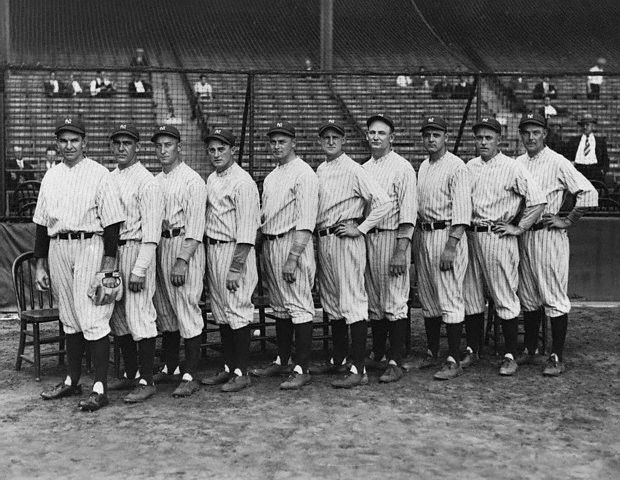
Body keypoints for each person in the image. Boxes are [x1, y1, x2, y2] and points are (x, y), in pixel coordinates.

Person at [34, 117, 125, 411]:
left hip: (90, 245)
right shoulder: (51, 176)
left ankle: (100, 387)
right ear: (57, 143)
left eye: (75, 140)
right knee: (70, 317)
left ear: (84, 142)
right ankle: (73, 381)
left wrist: (108, 262)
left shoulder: (100, 174)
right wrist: (39, 264)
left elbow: (112, 223)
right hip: (59, 246)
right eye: (63, 140)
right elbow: (40, 224)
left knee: (93, 315)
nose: (69, 145)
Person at [515, 112, 598, 376]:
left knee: (553, 297)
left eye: (536, 132)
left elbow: (589, 192)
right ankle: (531, 350)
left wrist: (568, 220)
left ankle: (556, 355)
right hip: (524, 234)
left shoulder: (557, 161)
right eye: (526, 132)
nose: (531, 137)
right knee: (528, 296)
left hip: (549, 236)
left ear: (545, 134)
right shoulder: (517, 162)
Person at [462, 117, 546, 376]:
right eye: (479, 137)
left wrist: (518, 227)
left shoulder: (512, 167)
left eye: (489, 137)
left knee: (504, 296)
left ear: (499, 139)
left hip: (497, 237)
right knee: (471, 294)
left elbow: (538, 201)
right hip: (470, 234)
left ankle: (510, 355)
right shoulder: (469, 166)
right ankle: (471, 350)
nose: (483, 142)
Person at [312, 118, 390, 388]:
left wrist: (363, 228)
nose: (331, 141)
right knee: (332, 303)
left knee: (353, 301)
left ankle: (359, 369)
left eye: (335, 137)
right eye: (326, 137)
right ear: (320, 141)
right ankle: (339, 359)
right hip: (325, 238)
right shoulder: (320, 169)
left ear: (343, 140)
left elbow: (384, 203)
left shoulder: (354, 168)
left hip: (347, 238)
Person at [250, 121, 318, 390]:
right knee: (279, 305)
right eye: (274, 141)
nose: (277, 146)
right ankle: (284, 359)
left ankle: (303, 367)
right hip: (271, 242)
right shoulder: (271, 176)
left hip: (293, 243)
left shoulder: (304, 174)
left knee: (299, 305)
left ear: (294, 143)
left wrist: (294, 257)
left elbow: (306, 221)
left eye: (282, 141)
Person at [106, 124, 164, 403]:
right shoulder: (109, 177)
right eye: (116, 142)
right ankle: (130, 374)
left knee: (140, 312)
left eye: (126, 142)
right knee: (118, 315)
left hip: (136, 248)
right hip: (112, 252)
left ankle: (146, 379)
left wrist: (140, 268)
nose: (120, 147)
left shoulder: (147, 181)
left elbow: (152, 233)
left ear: (136, 146)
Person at [200, 128, 260, 393]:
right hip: (214, 248)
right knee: (222, 312)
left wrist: (236, 267)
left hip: (236, 250)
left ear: (232, 150)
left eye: (221, 149)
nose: (216, 154)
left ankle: (241, 371)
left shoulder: (243, 181)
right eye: (212, 149)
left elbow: (248, 229)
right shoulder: (212, 178)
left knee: (237, 309)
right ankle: (228, 366)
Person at [151, 125, 206, 398]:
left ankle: (191, 373)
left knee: (187, 306)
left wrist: (182, 260)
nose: (163, 150)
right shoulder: (156, 180)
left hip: (184, 244)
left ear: (179, 147)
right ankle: (171, 366)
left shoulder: (192, 180)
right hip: (161, 243)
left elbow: (196, 226)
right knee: (166, 310)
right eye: (159, 145)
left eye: (168, 145)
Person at [415, 116, 472, 380]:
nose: (431, 139)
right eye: (427, 134)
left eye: (436, 134)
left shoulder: (457, 167)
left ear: (445, 137)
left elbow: (462, 211)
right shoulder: (424, 166)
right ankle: (432, 352)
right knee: (428, 298)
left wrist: (451, 246)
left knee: (450, 297)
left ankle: (454, 359)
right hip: (425, 233)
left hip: (447, 234)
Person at [362, 114, 417, 383]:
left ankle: (396, 360)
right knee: (375, 300)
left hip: (392, 236)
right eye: (372, 132)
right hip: (369, 239)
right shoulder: (364, 167)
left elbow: (408, 215)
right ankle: (380, 353)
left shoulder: (403, 167)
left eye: (381, 133)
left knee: (395, 299)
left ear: (391, 138)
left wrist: (400, 250)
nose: (375, 137)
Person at [564, 114, 609, 182]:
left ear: (592, 126)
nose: (585, 127)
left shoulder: (600, 141)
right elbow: (567, 155)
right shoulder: (574, 141)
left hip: (594, 170)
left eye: (587, 125)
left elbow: (605, 159)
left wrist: (603, 171)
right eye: (583, 125)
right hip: (578, 169)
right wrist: (570, 163)